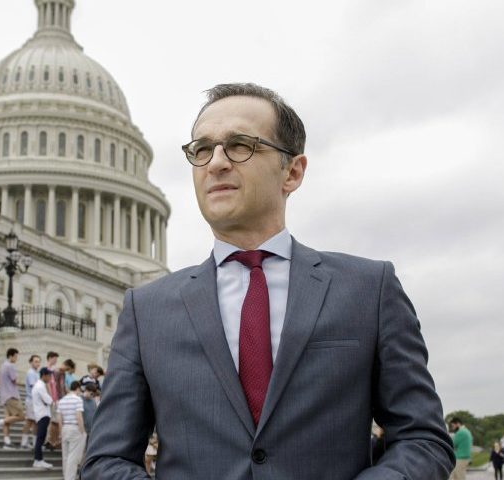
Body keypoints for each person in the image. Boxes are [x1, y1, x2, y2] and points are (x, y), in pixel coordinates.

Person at [83, 82, 455, 479]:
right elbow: (106, 460)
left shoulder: (369, 289)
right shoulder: (146, 311)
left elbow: (423, 439)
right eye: (202, 149)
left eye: (240, 145)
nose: (216, 163)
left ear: (292, 172)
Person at [0, 348, 26, 449]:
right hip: (11, 395)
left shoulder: (3, 366)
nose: (16, 358)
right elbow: (14, 380)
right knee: (22, 416)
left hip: (4, 396)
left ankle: (7, 442)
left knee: (7, 420)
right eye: (16, 356)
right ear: (11, 356)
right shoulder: (10, 366)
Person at [58, 380, 86, 480]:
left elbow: (59, 418)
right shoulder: (78, 399)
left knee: (65, 455)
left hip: (65, 427)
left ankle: (66, 476)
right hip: (75, 428)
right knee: (73, 456)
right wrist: (82, 431)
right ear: (77, 388)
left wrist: (61, 432)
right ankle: (69, 478)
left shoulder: (62, 400)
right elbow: (79, 416)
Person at [31, 367, 55, 469]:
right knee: (40, 438)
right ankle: (38, 460)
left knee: (40, 437)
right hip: (43, 414)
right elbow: (49, 400)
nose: (50, 378)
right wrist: (51, 400)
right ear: (44, 375)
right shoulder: (40, 386)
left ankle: (38, 459)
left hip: (41, 414)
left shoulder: (40, 385)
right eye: (49, 376)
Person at [23, 354, 42, 449]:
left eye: (39, 361)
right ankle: (24, 442)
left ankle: (34, 443)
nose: (38, 363)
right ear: (31, 362)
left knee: (35, 422)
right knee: (29, 421)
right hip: (31, 400)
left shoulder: (37, 373)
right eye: (36, 361)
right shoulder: (31, 372)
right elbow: (33, 386)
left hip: (36, 401)